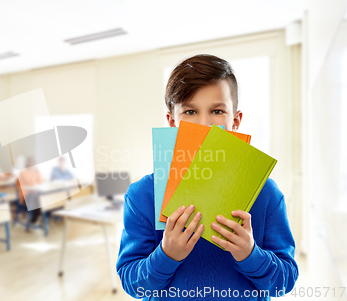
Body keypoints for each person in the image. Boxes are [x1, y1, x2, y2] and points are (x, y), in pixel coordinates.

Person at [116, 54, 298, 300]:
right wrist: (166, 255)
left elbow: (283, 282)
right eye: (190, 111)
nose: (204, 125)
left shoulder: (266, 192)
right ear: (172, 122)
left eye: (217, 111)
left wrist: (250, 253)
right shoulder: (142, 195)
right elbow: (132, 284)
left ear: (235, 121)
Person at [17, 157, 43, 226]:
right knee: (40, 200)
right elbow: (30, 183)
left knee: (43, 199)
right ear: (27, 163)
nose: (32, 164)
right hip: (25, 195)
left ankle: (39, 216)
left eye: (33, 162)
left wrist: (37, 172)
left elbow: (40, 182)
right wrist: (34, 172)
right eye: (30, 162)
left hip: (34, 194)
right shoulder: (23, 172)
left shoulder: (35, 171)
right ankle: (35, 218)